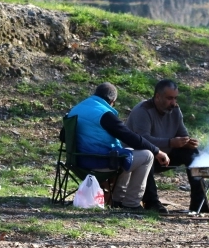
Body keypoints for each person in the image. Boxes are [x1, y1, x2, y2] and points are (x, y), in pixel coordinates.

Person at [67, 82, 170, 211]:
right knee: (147, 156)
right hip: (98, 163)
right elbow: (129, 136)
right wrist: (156, 151)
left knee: (127, 153)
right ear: (112, 101)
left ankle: (118, 200)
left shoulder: (76, 109)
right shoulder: (104, 114)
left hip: (76, 161)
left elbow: (63, 136)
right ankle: (131, 203)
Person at [125, 79, 209, 214]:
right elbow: (142, 140)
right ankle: (152, 202)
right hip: (139, 156)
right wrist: (171, 142)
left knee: (192, 153)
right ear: (158, 97)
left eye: (175, 98)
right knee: (146, 155)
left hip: (165, 154)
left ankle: (199, 203)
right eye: (169, 98)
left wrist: (188, 142)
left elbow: (182, 134)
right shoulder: (143, 110)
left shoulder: (175, 110)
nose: (173, 103)